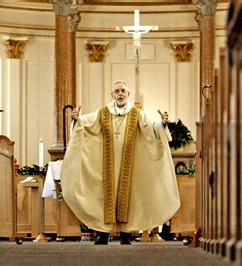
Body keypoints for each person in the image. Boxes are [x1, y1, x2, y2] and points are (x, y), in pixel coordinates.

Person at [61, 81, 180, 245]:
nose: (120, 94)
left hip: (129, 166)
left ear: (128, 94)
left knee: (129, 197)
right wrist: (77, 120)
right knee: (103, 196)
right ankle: (103, 234)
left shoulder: (137, 114)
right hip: (106, 165)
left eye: (123, 90)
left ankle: (125, 234)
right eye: (116, 91)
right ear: (112, 95)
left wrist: (163, 123)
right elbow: (85, 124)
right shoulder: (102, 113)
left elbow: (151, 128)